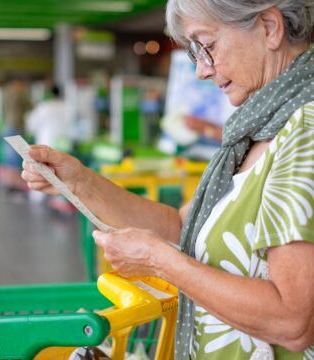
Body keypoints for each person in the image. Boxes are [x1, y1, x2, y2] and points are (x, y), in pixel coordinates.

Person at [22, 1, 314, 358]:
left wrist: (161, 262)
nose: (201, 72)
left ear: (269, 26)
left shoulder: (305, 132)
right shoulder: (257, 132)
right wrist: (80, 183)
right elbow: (179, 225)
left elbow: (292, 320)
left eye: (207, 45)